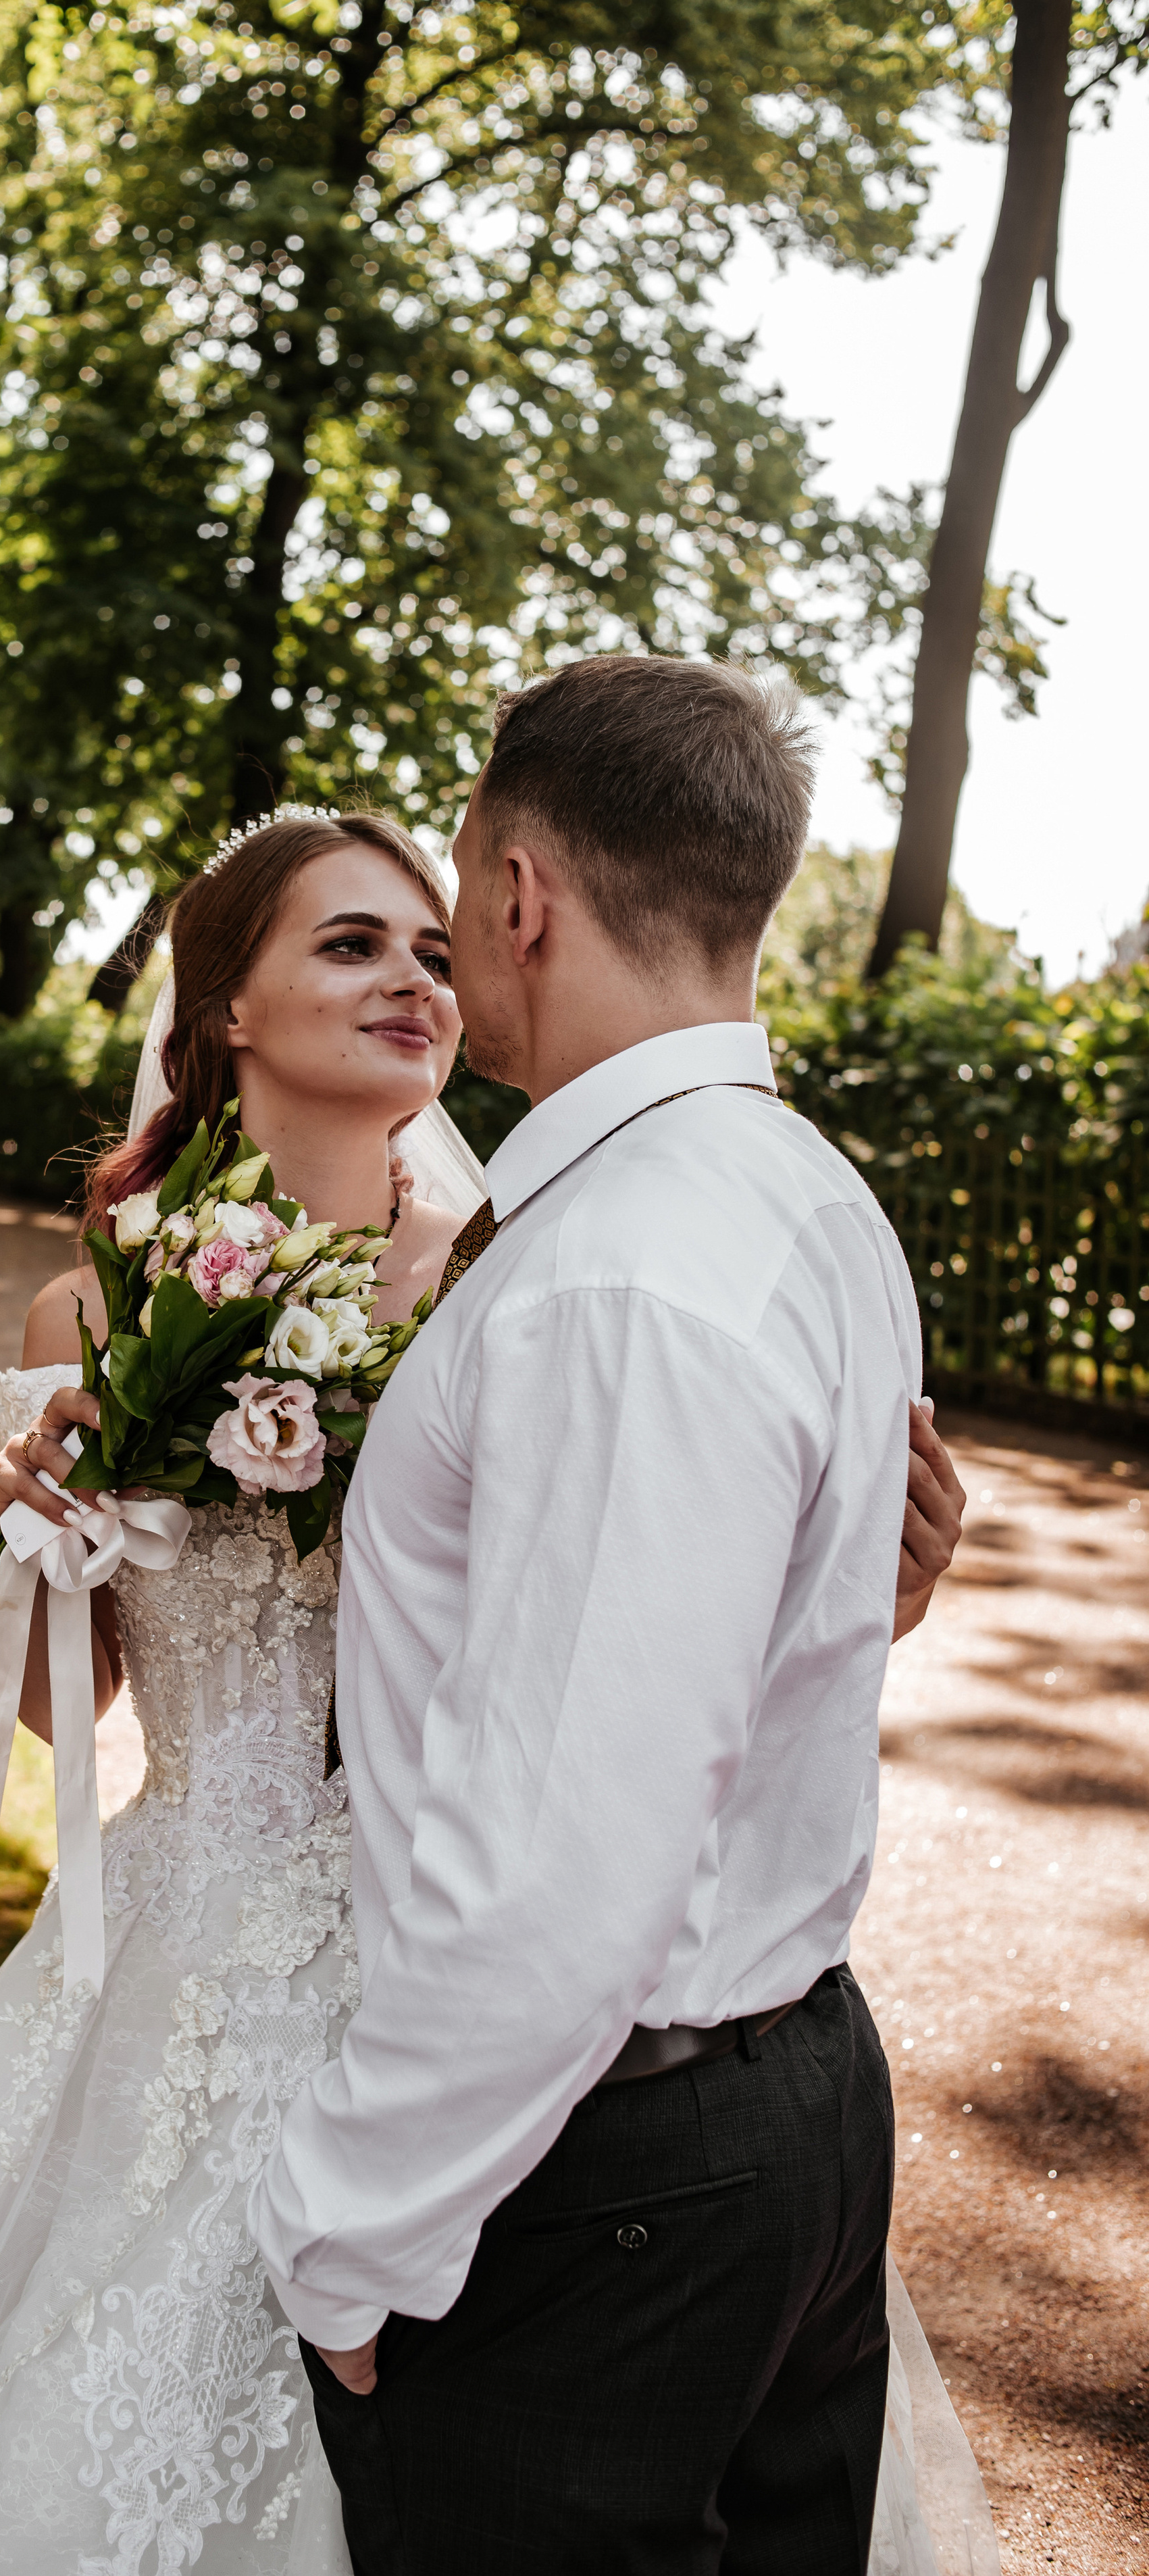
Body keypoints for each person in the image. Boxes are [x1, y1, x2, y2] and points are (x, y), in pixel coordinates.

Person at [0, 789, 970, 2575]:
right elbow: (58, 1712)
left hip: (465, 1966)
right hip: (190, 1951)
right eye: (349, 942)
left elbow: (633, 1680)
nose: (413, 974)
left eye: (429, 942)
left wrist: (877, 1580)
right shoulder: (87, 1321)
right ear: (225, 1009)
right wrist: (47, 1549)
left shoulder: (530, 1282)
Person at [246, 659, 993, 2573]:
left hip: (606, 2180)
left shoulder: (615, 1275)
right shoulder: (812, 1200)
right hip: (793, 2100)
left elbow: (562, 1856)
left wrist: (353, 2232)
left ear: (520, 895)